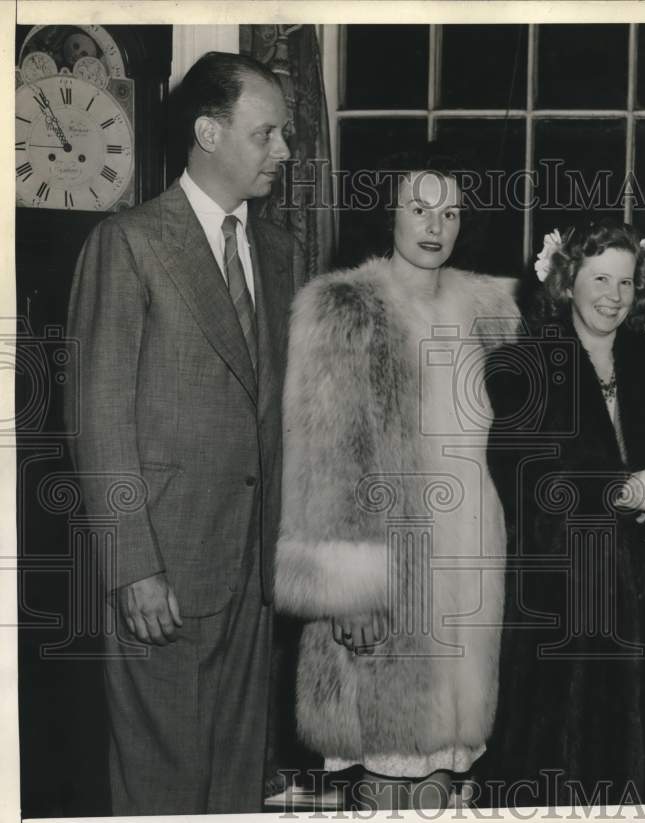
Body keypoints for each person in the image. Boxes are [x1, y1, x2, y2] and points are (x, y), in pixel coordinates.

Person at [65, 52, 304, 814]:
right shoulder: (129, 243)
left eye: (285, 137)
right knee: (163, 786)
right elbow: (98, 419)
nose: (285, 152)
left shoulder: (281, 252)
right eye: (267, 134)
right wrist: (133, 565)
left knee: (237, 784)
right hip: (163, 571)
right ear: (209, 131)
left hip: (253, 577)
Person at [274, 149, 520, 810]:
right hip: (390, 575)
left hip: (473, 567)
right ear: (387, 213)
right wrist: (346, 589)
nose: (435, 225)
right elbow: (319, 459)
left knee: (446, 769)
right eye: (419, 208)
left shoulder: (493, 309)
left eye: (451, 211)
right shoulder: (343, 308)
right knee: (390, 772)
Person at [482, 219, 645, 808]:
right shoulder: (522, 366)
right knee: (564, 761)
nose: (613, 295)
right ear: (567, 280)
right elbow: (524, 478)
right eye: (599, 278)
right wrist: (616, 490)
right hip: (564, 598)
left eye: (627, 282)